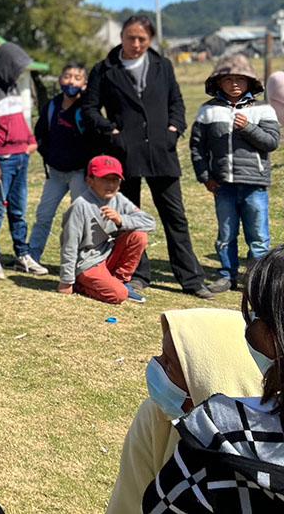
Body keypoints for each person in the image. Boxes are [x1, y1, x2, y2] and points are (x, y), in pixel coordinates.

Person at [141, 247, 284, 511]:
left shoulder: (214, 435)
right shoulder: (154, 418)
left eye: (254, 315)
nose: (155, 365)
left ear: (273, 337)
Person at [80, 14, 212, 298]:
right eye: (131, 37)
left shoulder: (162, 66)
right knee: (128, 217)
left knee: (175, 217)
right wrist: (113, 134)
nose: (136, 44)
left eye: (142, 39)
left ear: (150, 39)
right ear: (121, 37)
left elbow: (175, 101)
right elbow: (89, 110)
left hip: (161, 152)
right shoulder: (104, 70)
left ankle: (191, 279)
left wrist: (174, 130)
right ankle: (138, 274)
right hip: (124, 155)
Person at [106, 308, 263, 513]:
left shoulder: (268, 450)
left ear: (205, 383)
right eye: (162, 355)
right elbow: (129, 503)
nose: (156, 365)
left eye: (169, 364)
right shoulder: (156, 417)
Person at [189, 53, 279, 294]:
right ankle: (226, 275)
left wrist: (248, 128)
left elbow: (272, 142)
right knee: (226, 233)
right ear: (219, 82)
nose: (235, 83)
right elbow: (197, 146)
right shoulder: (207, 111)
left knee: (258, 235)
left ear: (251, 82)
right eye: (228, 79)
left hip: (255, 183)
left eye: (241, 78)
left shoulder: (263, 109)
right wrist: (205, 176)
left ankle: (255, 279)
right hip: (223, 184)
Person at [0, 42, 45, 279]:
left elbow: (20, 119)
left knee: (18, 209)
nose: (19, 72)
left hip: (21, 158)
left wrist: (30, 140)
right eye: (17, 67)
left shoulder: (14, 88)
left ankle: (22, 254)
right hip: (2, 161)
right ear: (6, 65)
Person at [57, 155, 154, 304]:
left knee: (139, 235)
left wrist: (121, 220)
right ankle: (80, 284)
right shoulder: (80, 206)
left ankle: (119, 280)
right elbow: (69, 245)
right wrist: (66, 281)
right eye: (104, 179)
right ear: (90, 180)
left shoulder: (118, 199)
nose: (110, 184)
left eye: (115, 179)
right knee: (118, 295)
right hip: (87, 261)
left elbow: (150, 222)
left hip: (108, 254)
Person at [27, 61, 90, 263]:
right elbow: (40, 134)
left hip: (79, 173)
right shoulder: (51, 106)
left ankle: (80, 260)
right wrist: (48, 155)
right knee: (43, 215)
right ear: (60, 78)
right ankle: (32, 256)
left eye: (77, 78)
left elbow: (94, 138)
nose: (71, 81)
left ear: (84, 83)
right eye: (67, 76)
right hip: (55, 173)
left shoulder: (87, 108)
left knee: (78, 218)